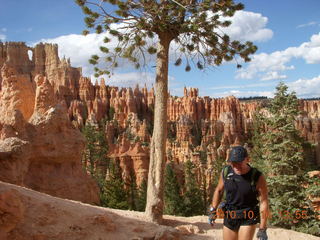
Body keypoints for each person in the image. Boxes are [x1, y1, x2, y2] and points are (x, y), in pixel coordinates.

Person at [208, 146, 269, 240]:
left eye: (239, 162)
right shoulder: (226, 172)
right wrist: (213, 210)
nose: (236, 166)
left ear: (247, 160)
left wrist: (262, 228)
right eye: (233, 163)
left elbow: (263, 202)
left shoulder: (257, 176)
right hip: (230, 215)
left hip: (248, 216)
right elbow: (219, 190)